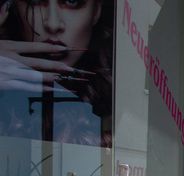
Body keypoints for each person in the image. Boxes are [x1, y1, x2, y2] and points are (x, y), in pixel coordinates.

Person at [0, 0, 113, 146]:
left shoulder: (119, 109)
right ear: (13, 10)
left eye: (72, 1)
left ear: (96, 11)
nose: (52, 24)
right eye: (35, 1)